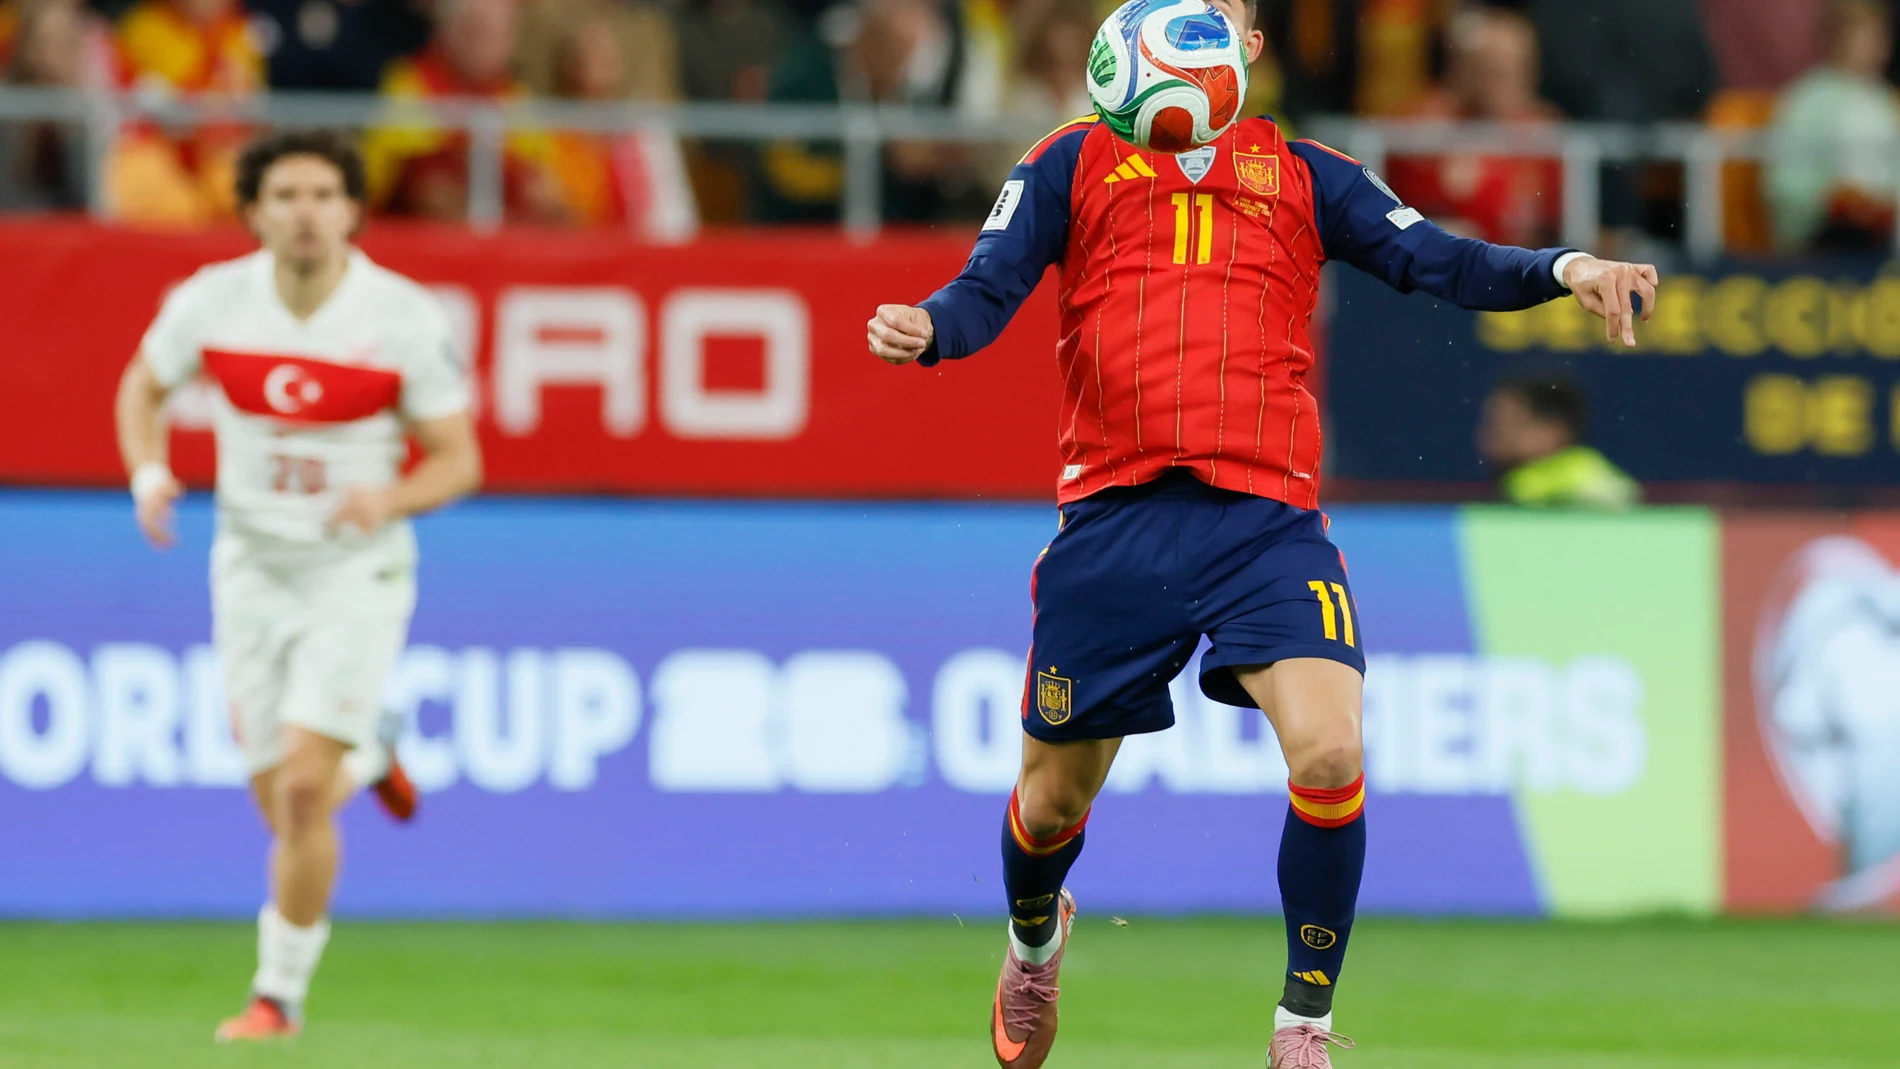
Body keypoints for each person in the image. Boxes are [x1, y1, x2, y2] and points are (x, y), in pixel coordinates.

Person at [863, 0, 1658, 1065]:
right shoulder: (1069, 162)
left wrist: (1566, 268)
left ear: (1249, 46)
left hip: (1265, 521)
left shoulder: (1307, 174)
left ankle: (1303, 1025)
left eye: (1224, 9)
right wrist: (929, 331)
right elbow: (986, 287)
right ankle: (1034, 942)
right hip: (1114, 518)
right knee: (1051, 802)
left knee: (1330, 746)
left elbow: (1441, 263)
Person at [112, 130, 481, 1042]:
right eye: (286, 196)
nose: (306, 212)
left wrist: (388, 496)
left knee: (307, 794)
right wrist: (147, 472)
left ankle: (277, 997)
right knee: (281, 802)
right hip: (249, 568)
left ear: (354, 209)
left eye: (324, 194)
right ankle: (373, 752)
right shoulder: (211, 302)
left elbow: (459, 458)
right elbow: (141, 388)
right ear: (253, 212)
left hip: (355, 570)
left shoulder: (400, 316)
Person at [361, 0, 567, 222]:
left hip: (504, 236)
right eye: (477, 31)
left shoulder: (514, 95)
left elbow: (541, 181)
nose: (488, 44)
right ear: (448, 31)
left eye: (499, 33)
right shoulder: (411, 83)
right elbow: (419, 185)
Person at [1384, 8, 1564, 248]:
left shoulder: (1546, 133)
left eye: (1517, 68)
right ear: (1467, 71)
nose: (1507, 82)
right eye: (1493, 70)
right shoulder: (1426, 124)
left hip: (1522, 269)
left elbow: (1560, 221)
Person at [1766, 0, 1899, 251]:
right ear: (1838, 38)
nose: (1879, 46)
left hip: (1881, 234)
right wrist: (1832, 199)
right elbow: (1785, 184)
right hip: (1822, 236)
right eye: (1868, 36)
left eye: (1881, 36)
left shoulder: (1883, 101)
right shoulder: (1806, 100)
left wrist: (1881, 204)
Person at [1477, 376, 1640, 509]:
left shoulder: (1585, 478)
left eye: (1510, 422)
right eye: (1491, 423)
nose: (1494, 435)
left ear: (1553, 430)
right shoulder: (1512, 484)